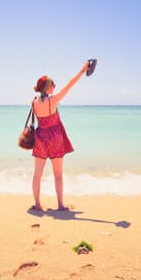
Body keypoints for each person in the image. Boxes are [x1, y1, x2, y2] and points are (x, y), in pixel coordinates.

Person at [30, 61, 90, 211]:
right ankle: (60, 205)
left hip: (40, 137)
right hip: (55, 137)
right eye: (53, 84)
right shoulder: (53, 100)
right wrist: (82, 71)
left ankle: (37, 204)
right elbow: (70, 84)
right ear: (48, 87)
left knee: (37, 174)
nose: (55, 86)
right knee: (58, 175)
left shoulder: (33, 102)